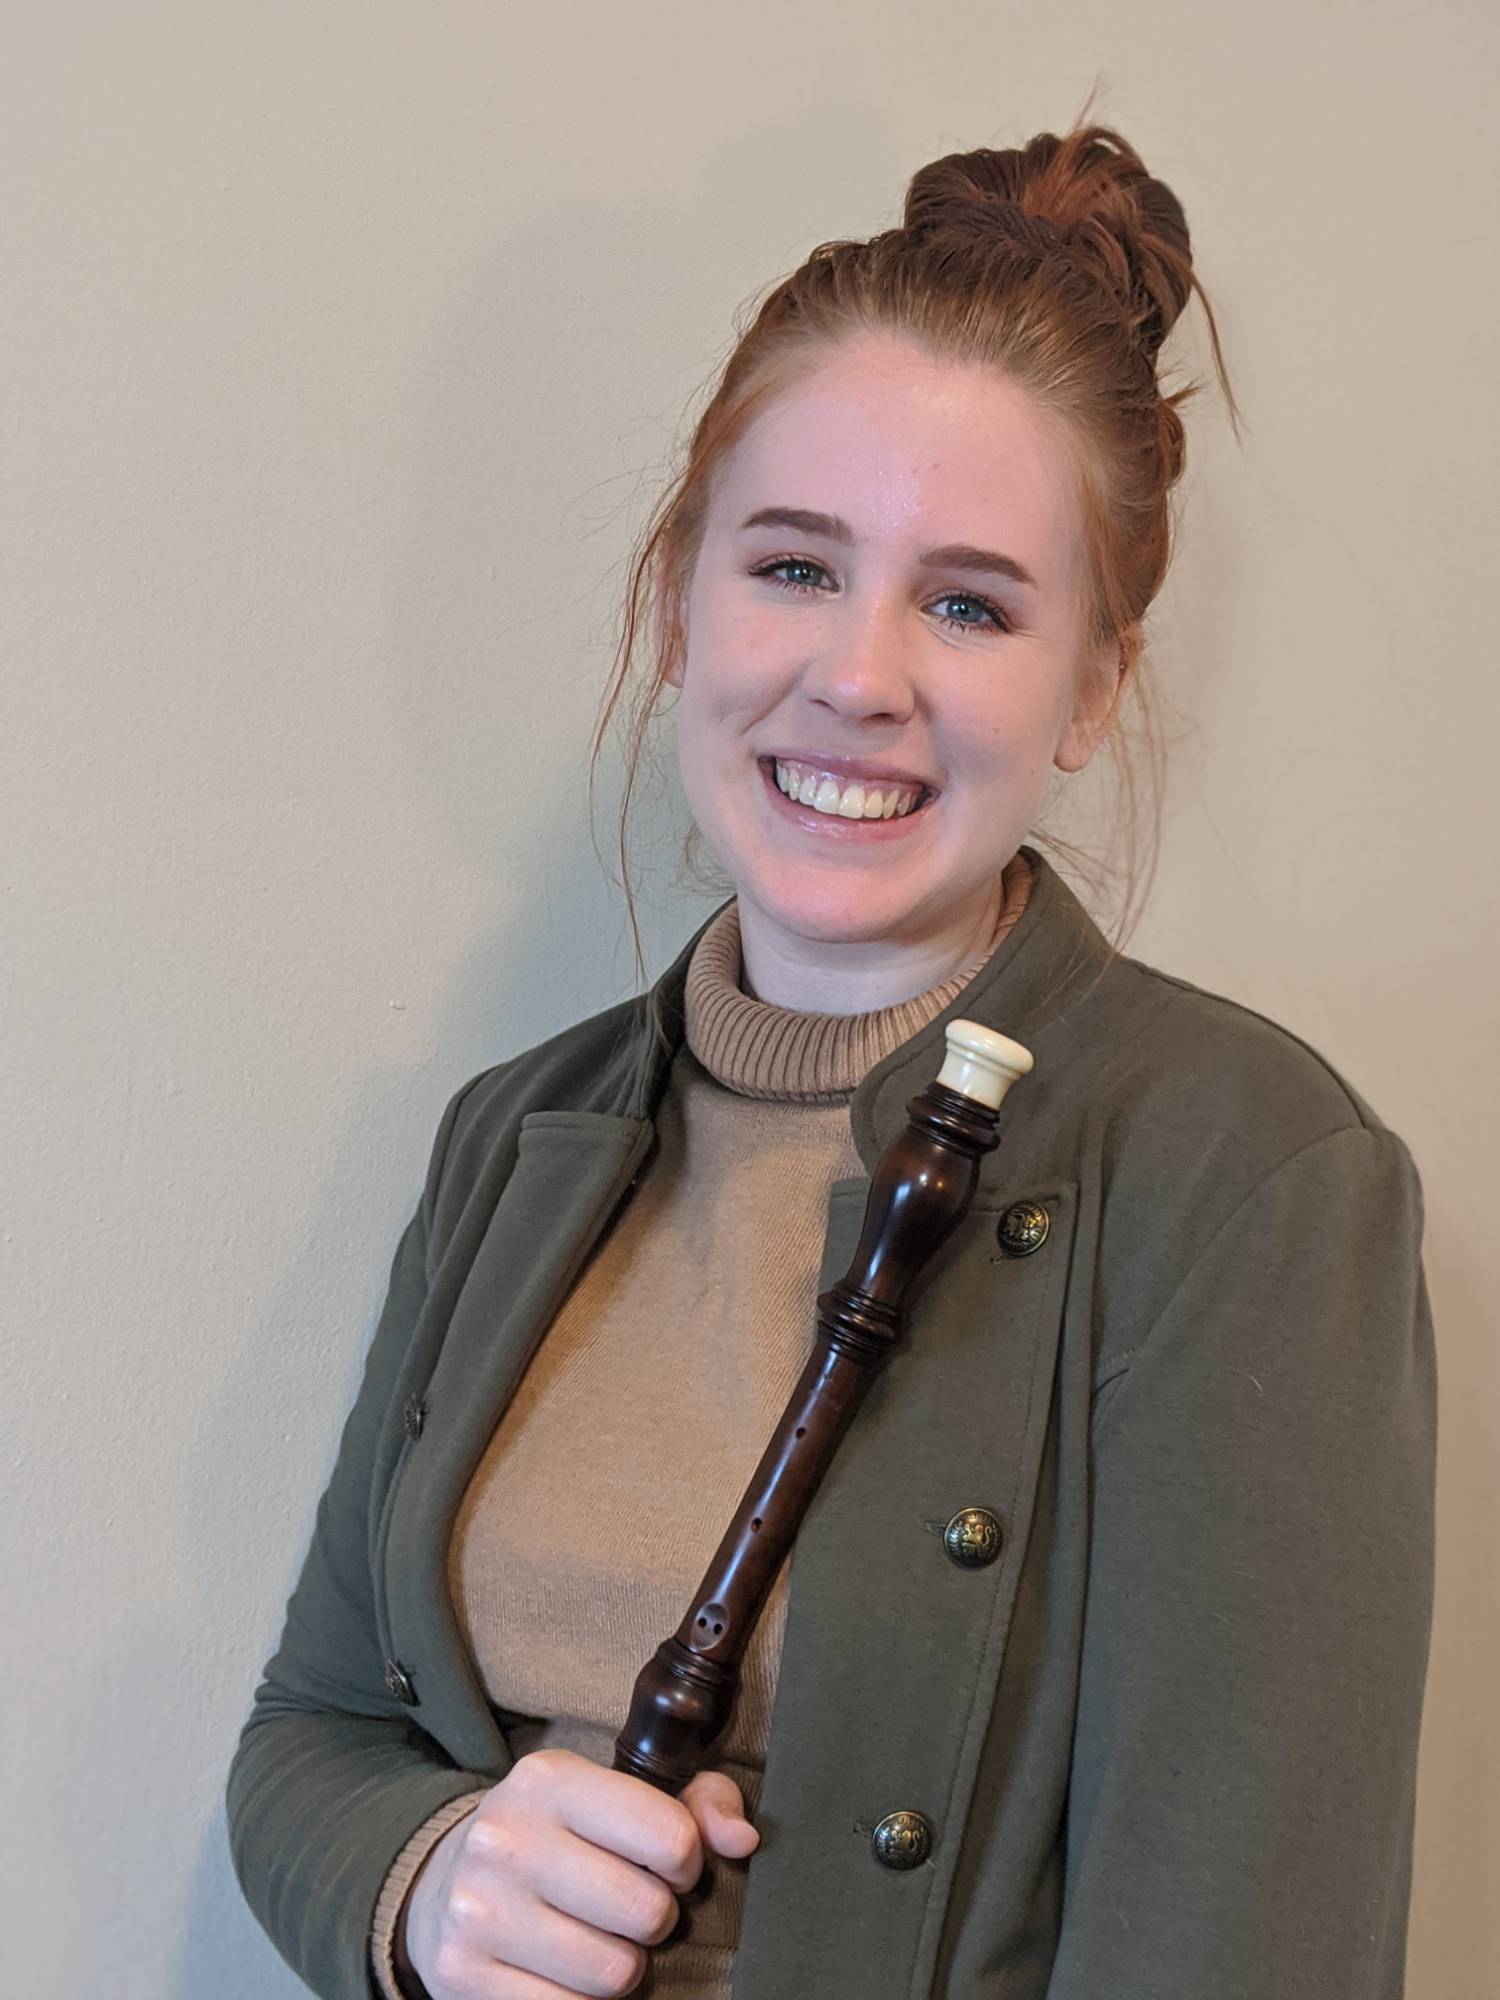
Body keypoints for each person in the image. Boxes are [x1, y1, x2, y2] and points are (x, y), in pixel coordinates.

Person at [226, 114, 1437, 2000]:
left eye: (968, 603)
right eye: (792, 565)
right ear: (678, 593)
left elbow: (1238, 1949)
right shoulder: (512, 1134)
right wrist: (431, 1874)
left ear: (1096, 688)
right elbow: (311, 1732)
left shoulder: (1243, 1170)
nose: (860, 674)